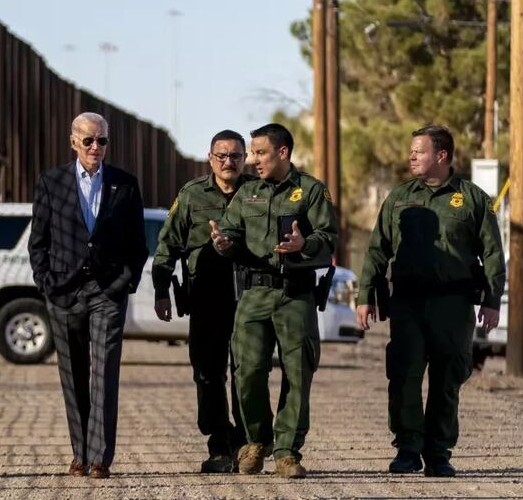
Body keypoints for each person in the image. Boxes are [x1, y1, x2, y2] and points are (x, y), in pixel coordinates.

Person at [356, 125, 504, 478]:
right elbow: (377, 250)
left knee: (447, 380)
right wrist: (365, 295)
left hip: (453, 304)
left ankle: (438, 453)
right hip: (407, 303)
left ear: (441, 155)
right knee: (403, 375)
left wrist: (492, 300)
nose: (411, 156)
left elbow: (492, 253)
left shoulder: (472, 199)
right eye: (411, 150)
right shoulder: (399, 198)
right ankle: (407, 449)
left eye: (419, 151)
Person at [209, 122, 338, 479]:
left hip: (295, 294)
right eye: (253, 153)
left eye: (261, 153)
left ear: (283, 152)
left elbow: (329, 238)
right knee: (247, 372)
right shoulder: (247, 193)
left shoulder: (311, 191)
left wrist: (304, 244)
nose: (254, 160)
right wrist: (223, 243)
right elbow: (231, 233)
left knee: (297, 374)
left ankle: (287, 452)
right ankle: (257, 441)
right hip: (254, 295)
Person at [28, 112, 147, 479]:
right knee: (73, 374)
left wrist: (125, 282)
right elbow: (39, 241)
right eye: (89, 140)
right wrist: (46, 283)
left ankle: (99, 457)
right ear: (73, 142)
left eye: (102, 140)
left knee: (104, 373)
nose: (96, 147)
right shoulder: (51, 182)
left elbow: (137, 243)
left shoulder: (125, 184)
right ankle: (78, 453)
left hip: (107, 291)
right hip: (64, 292)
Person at [151, 130, 253, 473]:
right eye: (221, 156)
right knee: (208, 373)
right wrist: (161, 290)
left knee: (247, 372)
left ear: (245, 158)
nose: (228, 162)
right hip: (207, 297)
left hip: (251, 299)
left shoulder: (257, 193)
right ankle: (219, 445)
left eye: (235, 156)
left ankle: (246, 444)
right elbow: (167, 245)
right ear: (210, 159)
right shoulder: (192, 194)